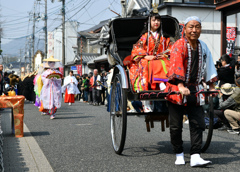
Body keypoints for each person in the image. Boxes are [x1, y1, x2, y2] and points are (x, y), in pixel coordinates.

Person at [166, 16, 217, 167]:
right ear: (185, 29)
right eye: (191, 27)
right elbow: (176, 65)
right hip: (177, 89)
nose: (194, 30)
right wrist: (180, 86)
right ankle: (179, 152)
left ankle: (195, 155)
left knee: (198, 123)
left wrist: (212, 85)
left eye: (197, 27)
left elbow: (209, 66)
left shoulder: (204, 46)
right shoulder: (178, 45)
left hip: (195, 89)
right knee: (176, 126)